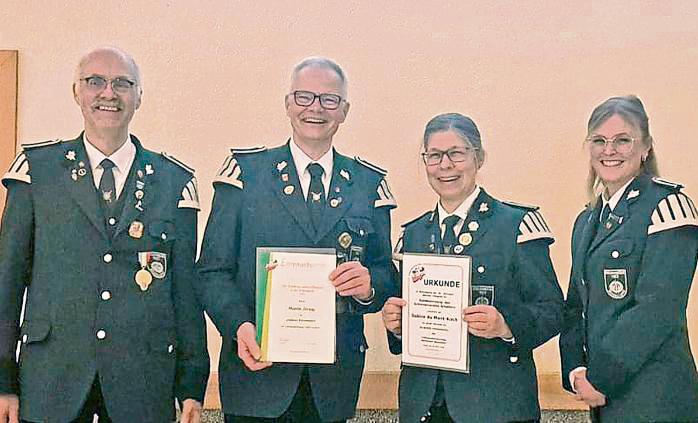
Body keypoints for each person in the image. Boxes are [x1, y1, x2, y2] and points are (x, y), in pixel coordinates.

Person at [0, 47, 209, 423]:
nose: (108, 93)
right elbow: (7, 282)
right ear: (76, 91)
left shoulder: (174, 182)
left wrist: (192, 384)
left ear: (139, 96)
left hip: (143, 382)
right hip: (51, 381)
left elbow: (185, 294)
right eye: (94, 81)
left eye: (122, 84)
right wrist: (3, 381)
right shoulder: (37, 171)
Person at [196, 57, 397, 422]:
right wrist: (240, 325)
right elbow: (212, 272)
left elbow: (386, 275)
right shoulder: (245, 174)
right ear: (288, 103)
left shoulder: (368, 184)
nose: (315, 108)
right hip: (256, 376)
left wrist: (369, 287)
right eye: (304, 97)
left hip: (333, 383)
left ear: (345, 110)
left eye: (328, 99)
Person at [381, 113, 564, 422]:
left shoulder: (517, 225)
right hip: (423, 405)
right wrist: (396, 324)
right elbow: (408, 324)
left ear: (479, 158)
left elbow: (554, 310)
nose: (445, 165)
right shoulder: (412, 235)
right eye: (434, 155)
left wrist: (506, 326)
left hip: (496, 406)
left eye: (456, 153)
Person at [559, 95, 698, 422]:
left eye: (623, 140)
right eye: (599, 140)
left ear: (645, 147)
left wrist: (601, 377)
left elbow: (657, 310)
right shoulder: (587, 221)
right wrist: (576, 371)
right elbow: (574, 306)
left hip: (656, 399)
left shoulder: (669, 208)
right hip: (604, 400)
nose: (609, 150)